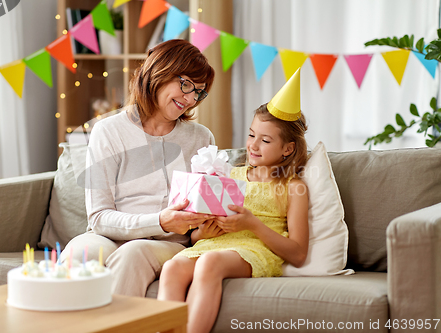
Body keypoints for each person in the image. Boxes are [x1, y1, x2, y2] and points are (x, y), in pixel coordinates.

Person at [157, 68, 309, 333]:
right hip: (215, 245)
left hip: (255, 250)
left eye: (265, 140)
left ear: (288, 148)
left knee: (210, 263)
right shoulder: (228, 175)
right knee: (172, 267)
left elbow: (297, 254)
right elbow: (195, 237)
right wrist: (202, 233)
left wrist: (251, 224)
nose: (253, 145)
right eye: (251, 135)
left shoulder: (292, 187)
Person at [62, 39, 216, 297]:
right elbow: (99, 217)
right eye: (186, 84)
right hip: (109, 236)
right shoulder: (109, 131)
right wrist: (160, 221)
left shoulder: (201, 138)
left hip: (169, 244)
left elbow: (206, 212)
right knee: (79, 253)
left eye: (198, 92)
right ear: (160, 72)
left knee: (134, 252)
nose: (191, 98)